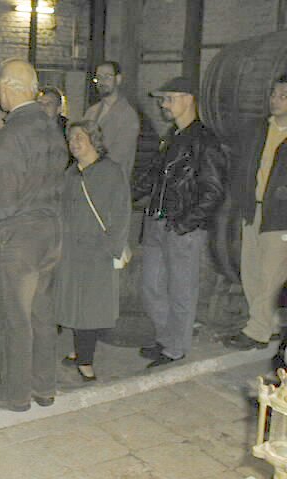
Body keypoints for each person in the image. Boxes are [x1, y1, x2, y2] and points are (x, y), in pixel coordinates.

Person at [0, 58, 69, 412]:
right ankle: (44, 386)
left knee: (12, 318)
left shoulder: (12, 133)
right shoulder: (50, 126)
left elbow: (2, 201)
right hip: (51, 230)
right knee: (42, 314)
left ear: (5, 87)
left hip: (19, 237)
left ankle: (14, 394)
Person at [134, 76, 226, 367]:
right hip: (158, 221)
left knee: (181, 291)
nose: (163, 104)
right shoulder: (173, 135)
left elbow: (214, 191)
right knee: (151, 287)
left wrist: (185, 223)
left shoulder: (205, 140)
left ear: (189, 99)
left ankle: (176, 348)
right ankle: (166, 338)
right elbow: (154, 176)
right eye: (163, 99)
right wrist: (126, 194)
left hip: (181, 227)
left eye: (169, 98)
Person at [56, 121, 131, 381]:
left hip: (97, 251)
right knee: (75, 305)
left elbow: (121, 212)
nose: (74, 143)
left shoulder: (111, 172)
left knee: (90, 308)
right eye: (70, 138)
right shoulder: (70, 174)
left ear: (94, 140)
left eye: (80, 137)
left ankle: (86, 360)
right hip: (71, 251)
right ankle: (80, 351)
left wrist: (111, 247)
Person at [226, 74, 287, 350]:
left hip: (281, 217)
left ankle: (257, 331)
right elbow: (240, 165)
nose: (275, 100)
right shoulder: (258, 129)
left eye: (283, 96)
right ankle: (270, 324)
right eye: (274, 94)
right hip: (253, 209)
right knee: (250, 269)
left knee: (271, 274)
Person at [84, 61, 140, 179]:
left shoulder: (128, 115)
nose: (102, 81)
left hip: (113, 181)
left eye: (107, 77)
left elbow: (118, 155)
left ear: (118, 79)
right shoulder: (91, 112)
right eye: (99, 77)